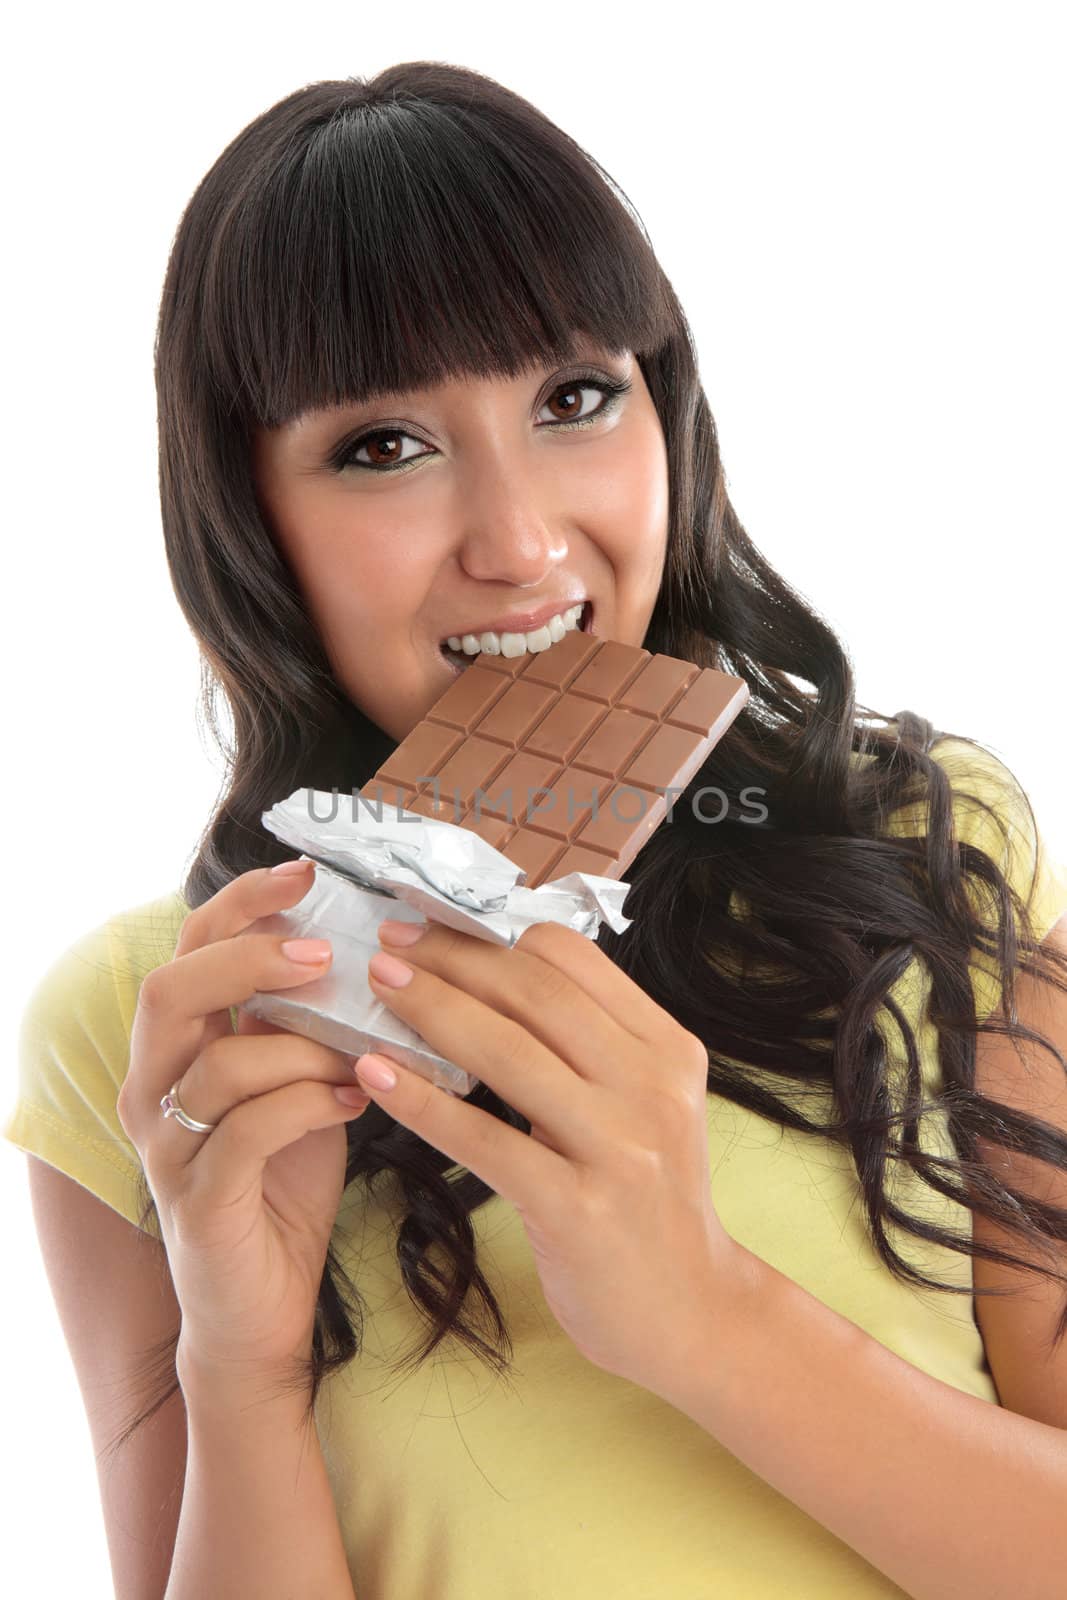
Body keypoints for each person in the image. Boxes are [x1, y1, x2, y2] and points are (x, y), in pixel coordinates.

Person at [6, 62, 1067, 1600]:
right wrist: (243, 1365)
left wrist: (700, 1315)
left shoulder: (919, 849)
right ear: (251, 515)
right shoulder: (153, 1023)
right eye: (382, 445)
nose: (518, 542)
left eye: (575, 399)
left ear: (667, 413)